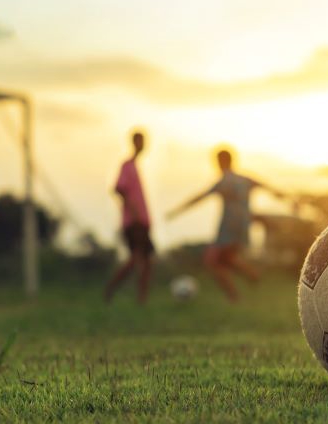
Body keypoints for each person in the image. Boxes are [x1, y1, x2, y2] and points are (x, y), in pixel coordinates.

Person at [167, 148, 285, 303]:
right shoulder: (245, 179)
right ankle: (252, 275)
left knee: (211, 260)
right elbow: (269, 187)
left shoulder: (223, 182)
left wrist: (177, 211)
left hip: (228, 227)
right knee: (228, 259)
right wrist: (289, 198)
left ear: (220, 162)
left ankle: (234, 296)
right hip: (243, 227)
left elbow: (199, 198)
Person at [103, 130, 155, 305]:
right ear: (134, 142)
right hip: (134, 221)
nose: (142, 145)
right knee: (136, 259)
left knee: (145, 261)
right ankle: (111, 290)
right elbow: (118, 189)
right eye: (140, 141)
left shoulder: (135, 166)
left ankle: (141, 299)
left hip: (141, 220)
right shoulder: (127, 165)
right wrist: (134, 213)